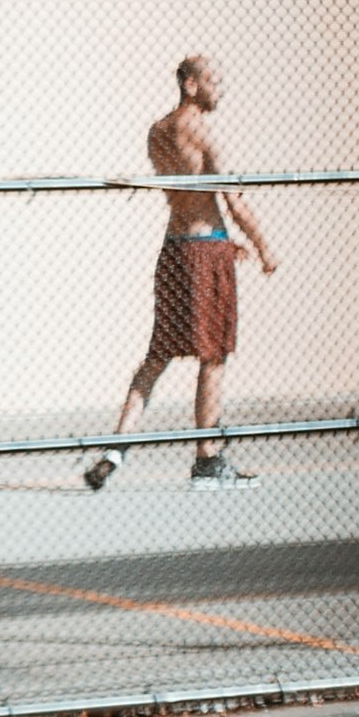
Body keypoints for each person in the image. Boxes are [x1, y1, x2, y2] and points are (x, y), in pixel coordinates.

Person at [82, 53, 277, 489]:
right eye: (214, 81)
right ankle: (207, 459)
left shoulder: (157, 133)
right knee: (213, 355)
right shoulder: (202, 133)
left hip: (175, 250)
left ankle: (117, 446)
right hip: (204, 254)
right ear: (191, 84)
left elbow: (186, 197)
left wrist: (230, 242)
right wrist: (265, 248)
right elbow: (233, 200)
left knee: (159, 354)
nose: (221, 89)